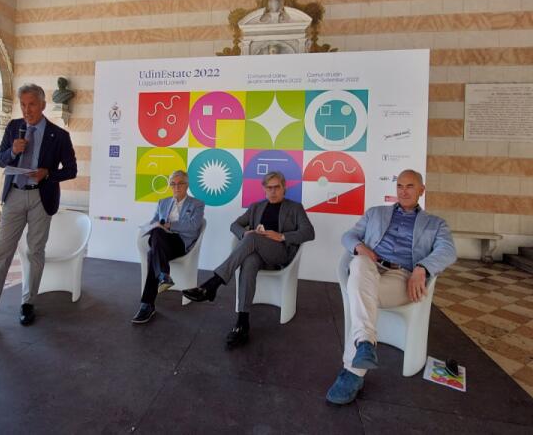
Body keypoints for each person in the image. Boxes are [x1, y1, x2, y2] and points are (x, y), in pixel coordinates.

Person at [0, 83, 77, 329]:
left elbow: (71, 170)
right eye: (23, 105)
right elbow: (0, 159)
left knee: (35, 252)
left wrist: (48, 173)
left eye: (31, 104)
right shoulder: (13, 127)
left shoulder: (59, 135)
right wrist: (12, 151)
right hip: (15, 195)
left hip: (41, 197)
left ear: (43, 105)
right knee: (2, 253)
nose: (27, 110)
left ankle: (28, 303)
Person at [326, 169, 456, 405]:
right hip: (371, 267)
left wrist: (422, 268)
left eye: (410, 186)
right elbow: (349, 236)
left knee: (361, 293)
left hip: (402, 277)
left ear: (421, 190)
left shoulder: (436, 224)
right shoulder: (375, 213)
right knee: (360, 263)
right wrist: (360, 247)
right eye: (400, 186)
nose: (403, 191)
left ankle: (353, 371)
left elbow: (448, 251)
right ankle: (365, 343)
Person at [182, 171, 315, 349]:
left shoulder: (295, 208)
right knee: (249, 261)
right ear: (264, 189)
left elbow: (309, 232)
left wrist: (282, 236)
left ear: (284, 188)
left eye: (277, 187)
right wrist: (245, 233)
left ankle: (213, 283)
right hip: (258, 254)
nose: (273, 191)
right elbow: (234, 225)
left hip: (280, 254)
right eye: (269, 187)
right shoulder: (256, 207)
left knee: (252, 239)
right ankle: (242, 323)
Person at [132, 171, 205, 324]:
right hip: (162, 241)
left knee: (153, 253)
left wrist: (170, 225)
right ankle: (162, 277)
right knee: (157, 234)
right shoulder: (163, 202)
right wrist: (153, 226)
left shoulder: (197, 204)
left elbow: (193, 226)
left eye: (180, 183)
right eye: (173, 184)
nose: (176, 187)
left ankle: (148, 303)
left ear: (187, 185)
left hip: (180, 243)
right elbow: (154, 221)